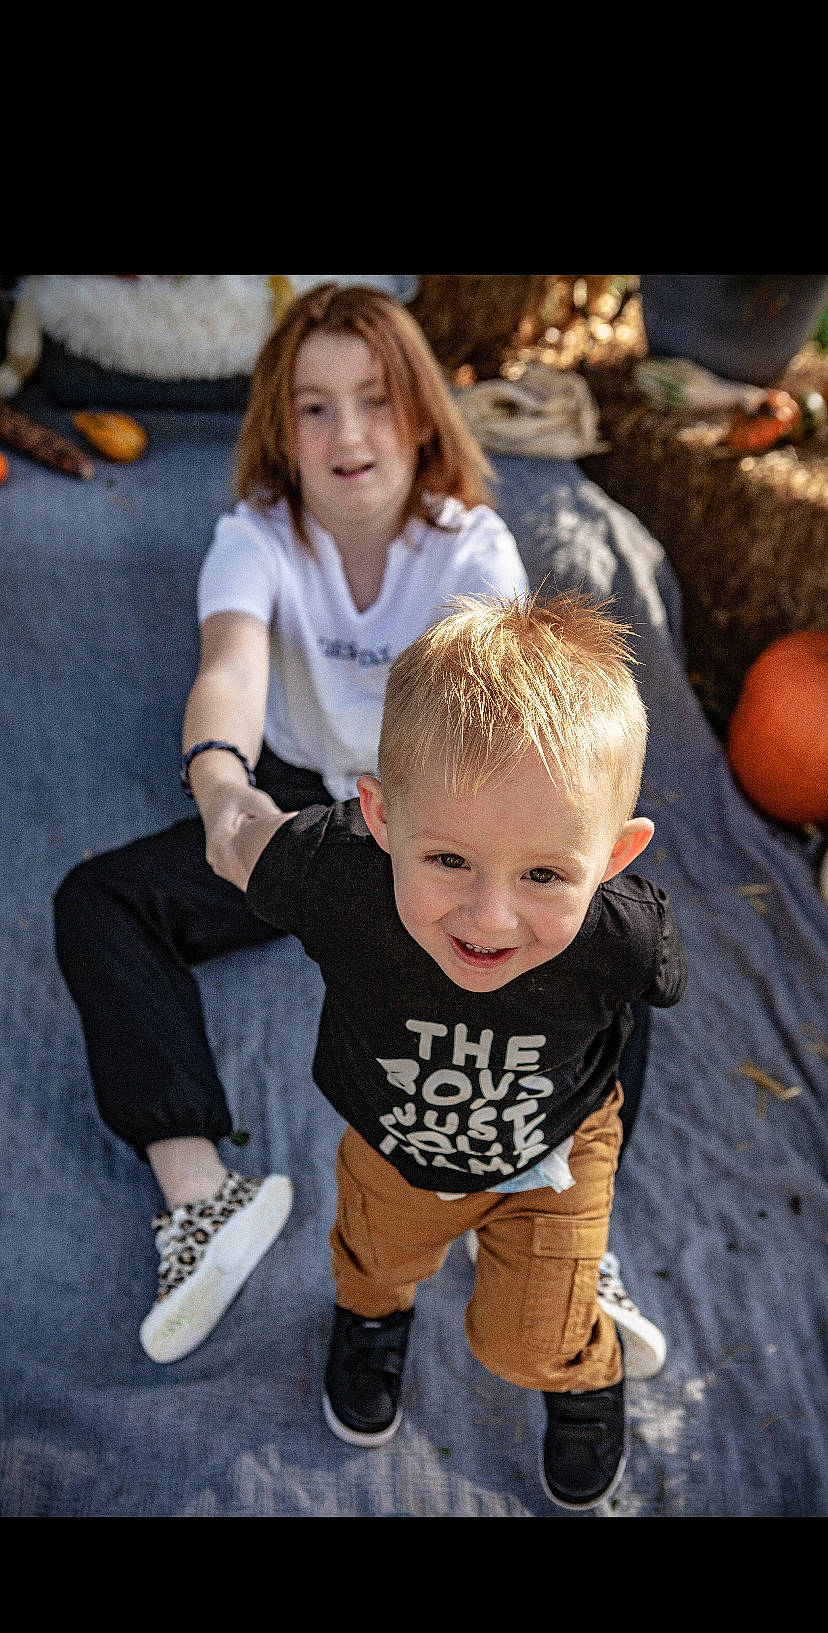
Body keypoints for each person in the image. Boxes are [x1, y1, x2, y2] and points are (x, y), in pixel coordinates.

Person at [53, 280, 664, 1384]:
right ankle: (201, 1193)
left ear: (421, 414)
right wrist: (222, 785)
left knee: (610, 933)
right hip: (302, 797)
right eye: (315, 407)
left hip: (435, 816)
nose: (348, 435)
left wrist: (450, 850)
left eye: (376, 400)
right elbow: (229, 665)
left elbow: (499, 728)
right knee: (99, 898)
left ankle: (572, 1206)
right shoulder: (255, 537)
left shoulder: (469, 549)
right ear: (279, 431)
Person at [230, 589, 689, 1510]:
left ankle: (584, 1365)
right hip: (393, 1142)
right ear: (380, 818)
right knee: (374, 1260)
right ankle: (372, 1323)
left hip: (553, 1152)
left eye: (544, 874)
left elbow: (652, 998)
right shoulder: (332, 874)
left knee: (527, 1338)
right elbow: (240, 843)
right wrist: (217, 786)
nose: (490, 917)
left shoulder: (627, 938)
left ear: (614, 858)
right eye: (448, 861)